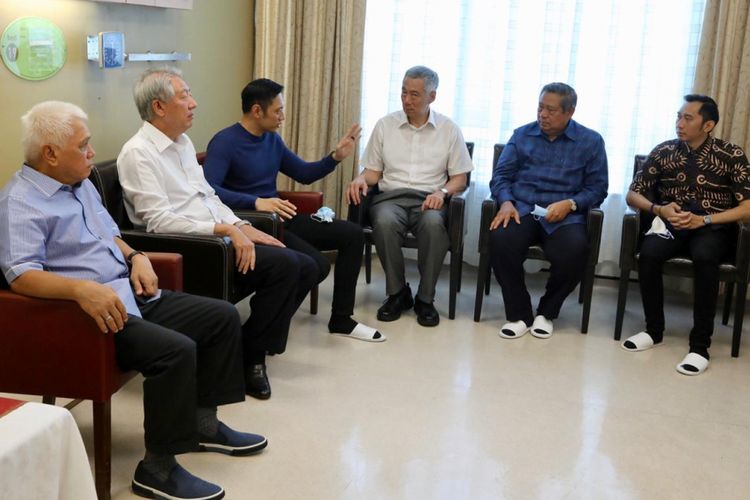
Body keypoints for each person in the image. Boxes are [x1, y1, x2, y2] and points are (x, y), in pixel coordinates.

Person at [0, 101, 267, 500]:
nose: (92, 153)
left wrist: (136, 256)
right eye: (84, 146)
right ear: (50, 154)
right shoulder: (19, 202)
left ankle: (204, 423)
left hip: (129, 291)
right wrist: (80, 290)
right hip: (87, 316)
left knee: (221, 316)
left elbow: (109, 233)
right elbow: (20, 274)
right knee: (175, 351)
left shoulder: (82, 184)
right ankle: (156, 469)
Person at [117, 67, 318, 400]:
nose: (194, 103)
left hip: (218, 236)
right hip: (195, 249)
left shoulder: (181, 143)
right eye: (184, 96)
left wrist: (241, 226)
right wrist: (225, 229)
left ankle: (247, 344)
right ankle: (251, 358)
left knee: (307, 267)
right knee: (286, 266)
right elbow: (158, 222)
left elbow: (208, 196)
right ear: (159, 107)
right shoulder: (139, 154)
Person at [203, 78, 384, 343]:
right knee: (318, 266)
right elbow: (209, 189)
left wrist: (334, 157)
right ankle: (259, 326)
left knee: (352, 234)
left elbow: (303, 173)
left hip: (281, 217)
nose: (282, 117)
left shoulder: (271, 140)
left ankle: (341, 319)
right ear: (256, 110)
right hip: (254, 224)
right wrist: (255, 202)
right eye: (277, 111)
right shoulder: (225, 142)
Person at [621, 94, 750, 376]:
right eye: (678, 117)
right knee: (649, 254)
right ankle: (653, 330)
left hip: (711, 225)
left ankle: (700, 345)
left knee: (706, 257)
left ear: (708, 125)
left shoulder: (731, 155)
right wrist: (659, 209)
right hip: (671, 221)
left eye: (687, 118)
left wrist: (704, 218)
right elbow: (633, 194)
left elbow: (747, 208)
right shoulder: (664, 150)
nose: (679, 123)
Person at [347, 65, 473, 327]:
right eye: (403, 93)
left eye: (415, 95)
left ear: (432, 97)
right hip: (390, 199)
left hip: (429, 200)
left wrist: (443, 191)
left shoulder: (449, 130)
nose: (407, 100)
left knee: (433, 225)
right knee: (383, 222)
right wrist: (360, 178)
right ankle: (397, 293)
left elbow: (460, 178)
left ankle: (425, 299)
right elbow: (372, 173)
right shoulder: (385, 126)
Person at [488, 82, 608, 340]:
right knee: (501, 240)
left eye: (551, 110)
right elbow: (501, 176)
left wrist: (571, 204)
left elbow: (598, 188)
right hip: (522, 208)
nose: (543, 114)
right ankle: (520, 313)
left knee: (575, 250)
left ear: (569, 112)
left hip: (564, 215)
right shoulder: (522, 135)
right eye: (540, 107)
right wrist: (506, 201)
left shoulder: (591, 141)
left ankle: (547, 312)